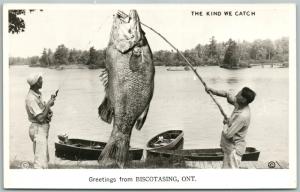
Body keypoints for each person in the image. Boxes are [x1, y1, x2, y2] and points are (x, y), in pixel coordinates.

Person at [206, 86, 256, 169]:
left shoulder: (242, 116)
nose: (236, 95)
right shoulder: (240, 103)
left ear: (244, 100)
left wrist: (226, 123)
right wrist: (213, 91)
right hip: (229, 149)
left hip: (234, 151)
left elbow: (228, 134)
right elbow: (227, 94)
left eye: (239, 94)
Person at [25, 73, 56, 169]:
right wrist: (48, 105)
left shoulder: (38, 94)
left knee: (44, 159)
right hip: (38, 129)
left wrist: (48, 106)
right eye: (40, 80)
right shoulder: (31, 98)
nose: (42, 81)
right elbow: (41, 118)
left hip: (41, 129)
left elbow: (42, 112)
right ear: (35, 83)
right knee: (40, 163)